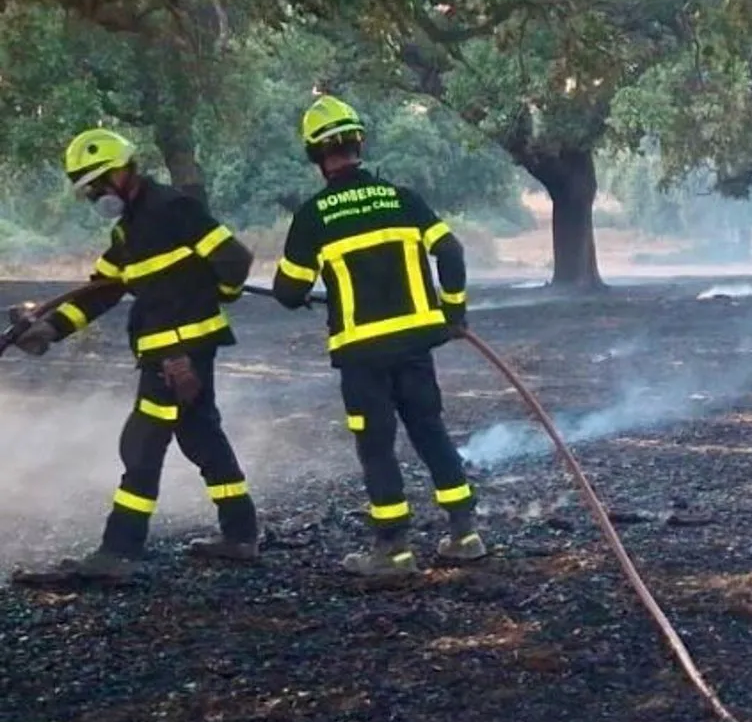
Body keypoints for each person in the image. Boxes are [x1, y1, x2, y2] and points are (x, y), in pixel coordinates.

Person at [9, 128, 260, 581]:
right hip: (171, 351)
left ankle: (118, 551)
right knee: (201, 436)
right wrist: (50, 329)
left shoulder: (173, 209)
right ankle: (240, 534)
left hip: (177, 354)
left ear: (123, 172)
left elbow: (235, 260)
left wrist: (215, 297)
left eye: (97, 184)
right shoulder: (128, 231)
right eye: (88, 190)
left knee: (141, 444)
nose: (94, 196)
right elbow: (100, 292)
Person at [273, 94, 484, 577]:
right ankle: (464, 533)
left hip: (362, 354)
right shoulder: (403, 199)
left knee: (377, 447)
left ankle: (393, 550)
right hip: (415, 346)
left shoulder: (314, 216)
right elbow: (451, 252)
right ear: (359, 144)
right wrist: (453, 312)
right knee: (430, 431)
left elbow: (288, 291)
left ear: (315, 153)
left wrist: (302, 290)